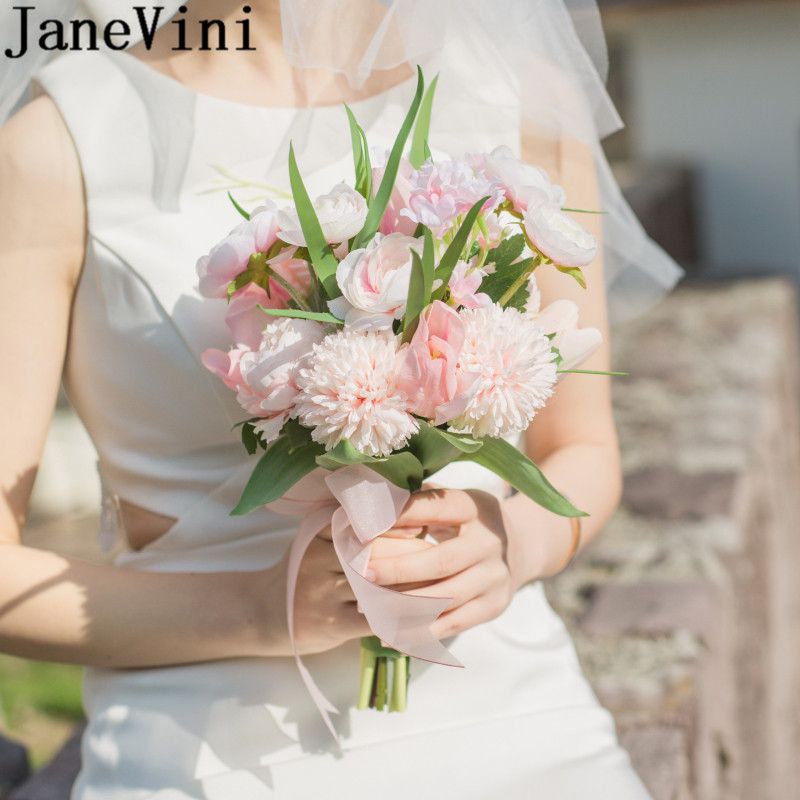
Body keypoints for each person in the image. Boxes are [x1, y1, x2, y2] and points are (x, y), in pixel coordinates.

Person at [0, 1, 680, 797]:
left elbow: (583, 450)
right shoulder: (60, 141)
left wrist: (512, 547)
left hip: (515, 714)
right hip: (210, 744)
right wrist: (259, 611)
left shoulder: (511, 96)